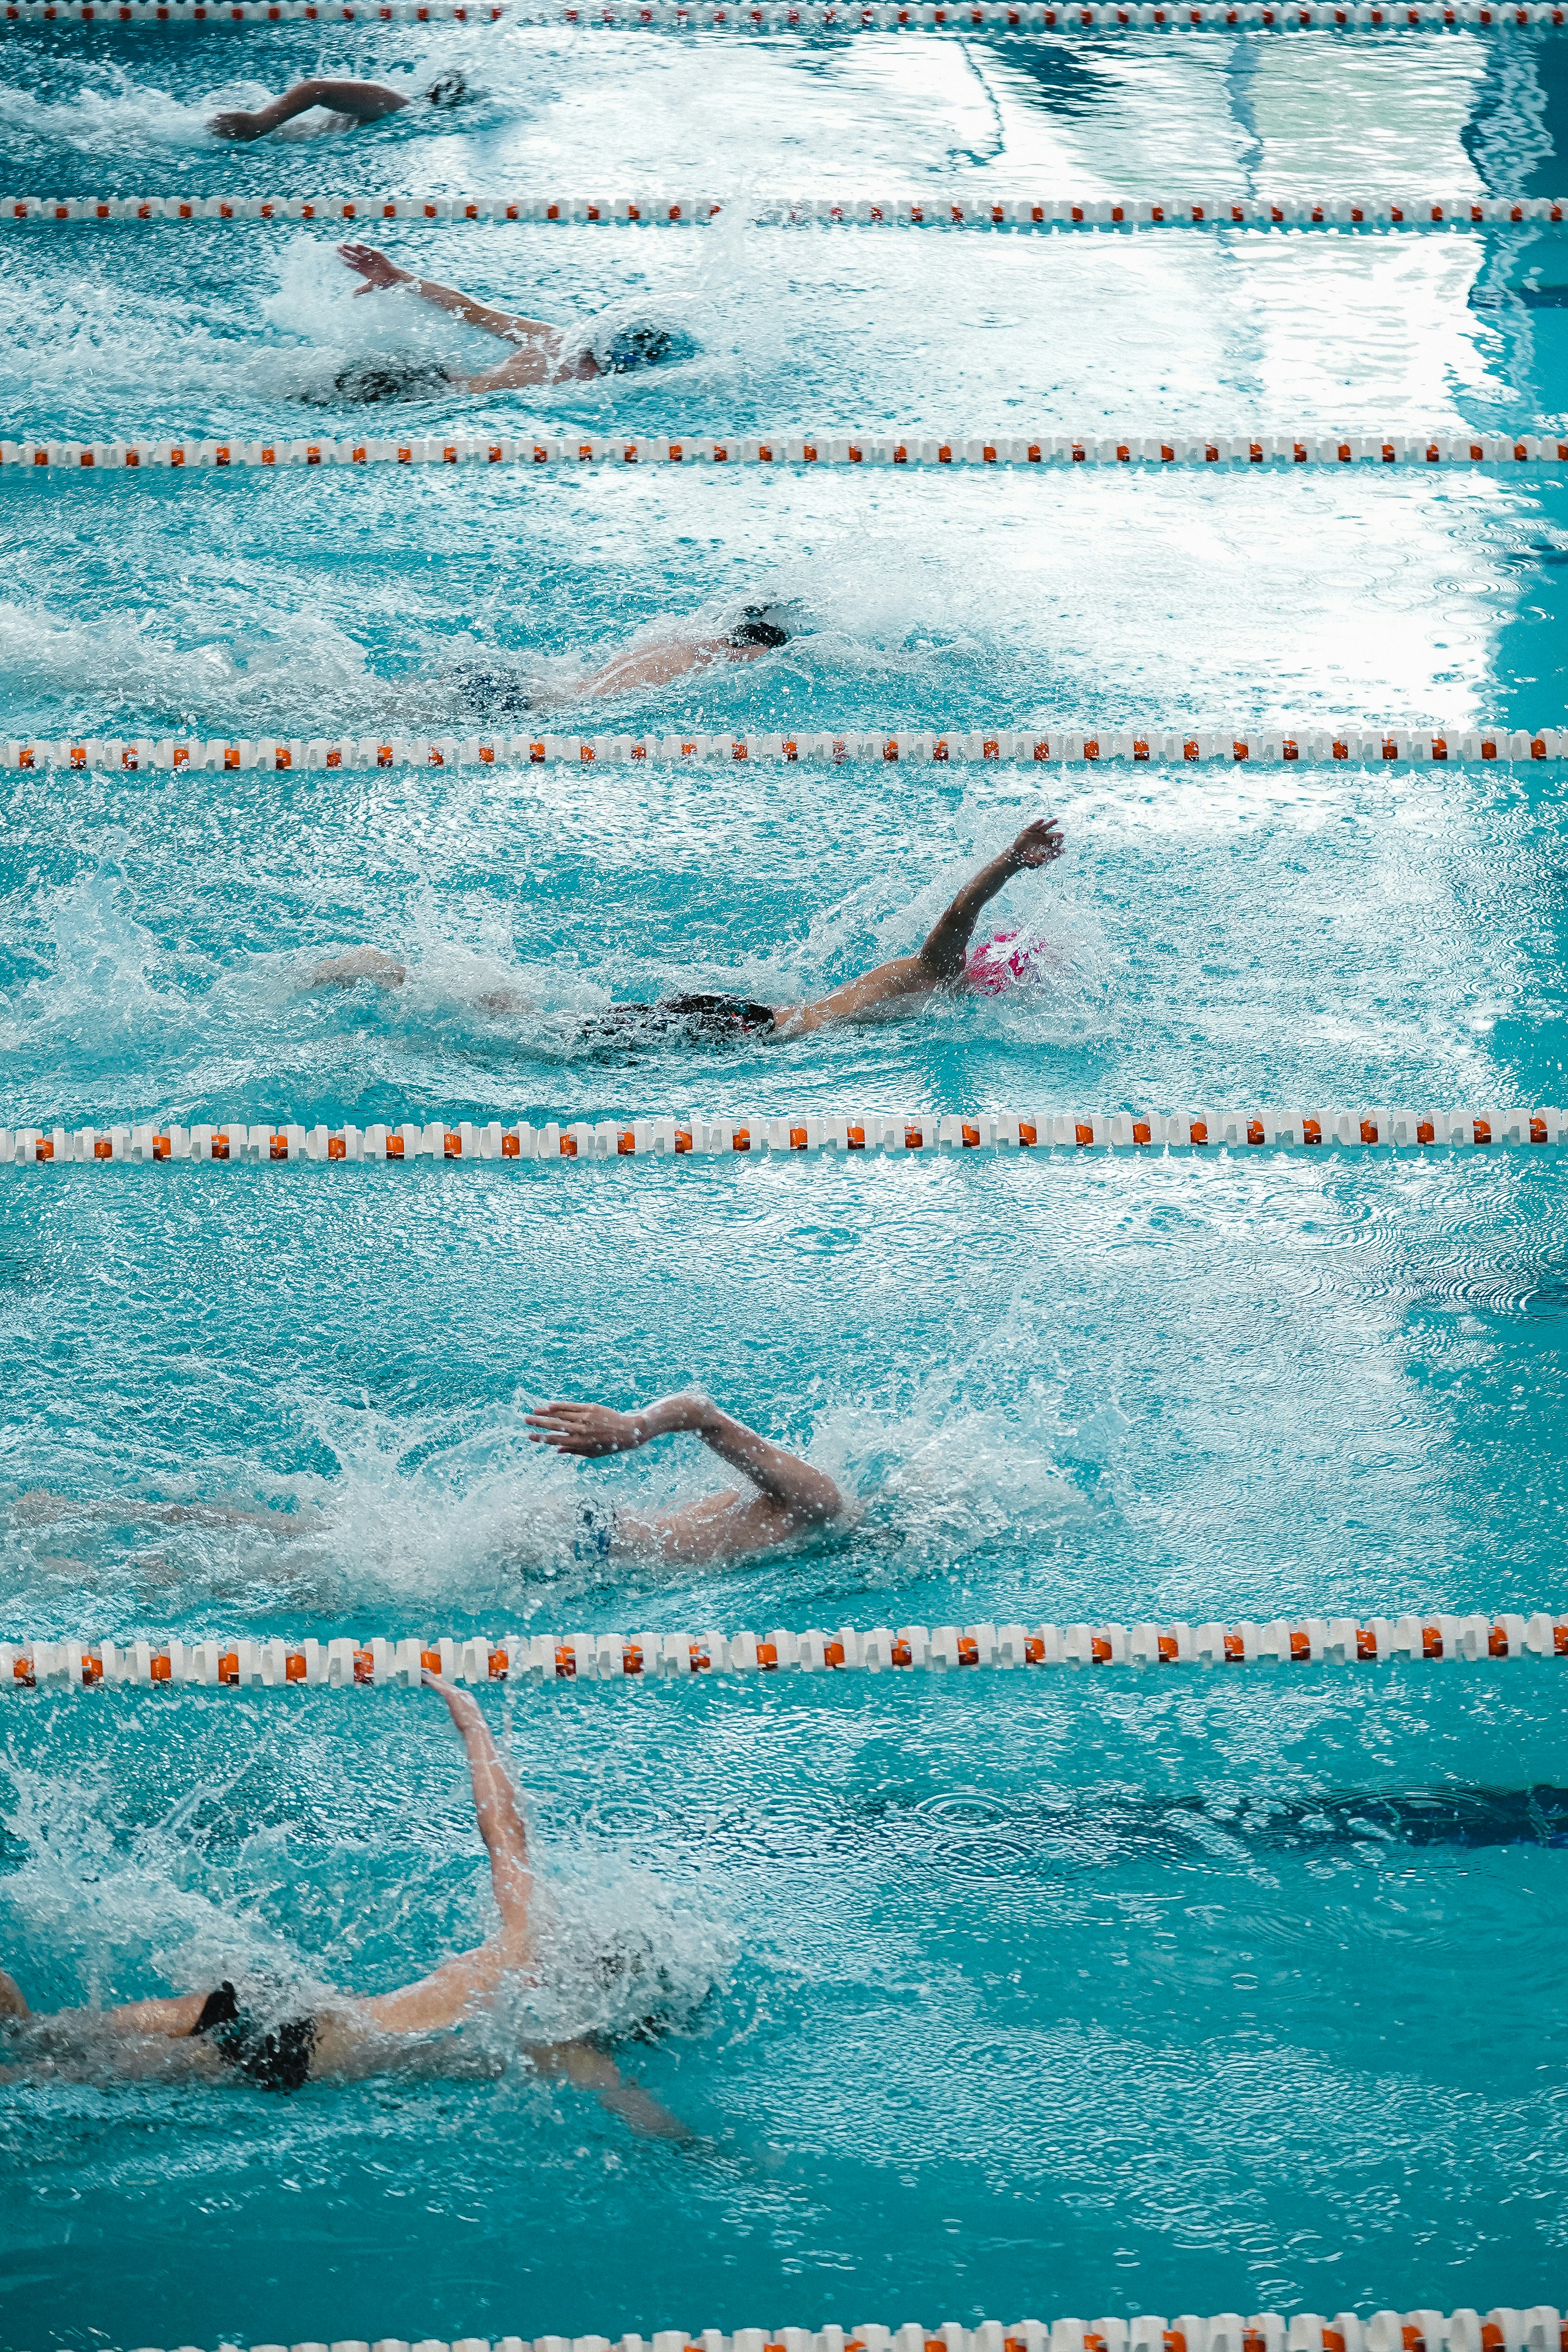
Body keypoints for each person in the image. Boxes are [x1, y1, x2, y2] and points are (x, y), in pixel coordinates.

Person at [0, 1674, 696, 2129]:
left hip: (275, 2000)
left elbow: (504, 1837)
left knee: (42, 2033)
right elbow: (643, 2114)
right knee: (38, 2074)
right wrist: (716, 2159)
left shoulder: (520, 1938)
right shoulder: (558, 2045)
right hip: (299, 2048)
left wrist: (475, 1732)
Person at [306, 814, 1067, 1042]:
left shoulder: (921, 991)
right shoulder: (933, 977)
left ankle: (406, 979)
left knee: (549, 1029)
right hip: (741, 1031)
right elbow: (956, 919)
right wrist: (1009, 860)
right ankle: (392, 975)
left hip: (737, 1019)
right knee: (542, 1041)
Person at [525, 1391, 844, 1567]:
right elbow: (703, 1411)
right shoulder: (820, 1502)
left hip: (591, 1538)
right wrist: (636, 1427)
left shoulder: (800, 1525)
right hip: (583, 1538)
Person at [335, 240, 688, 390]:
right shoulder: (580, 379)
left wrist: (402, 277)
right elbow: (472, 312)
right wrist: (401, 277)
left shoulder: (555, 338)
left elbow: (473, 312)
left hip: (428, 373)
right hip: (423, 392)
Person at [208, 72, 467, 141]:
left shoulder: (408, 115)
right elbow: (316, 88)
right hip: (249, 135)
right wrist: (260, 123)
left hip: (252, 142)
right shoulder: (398, 103)